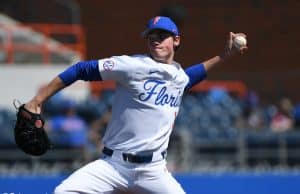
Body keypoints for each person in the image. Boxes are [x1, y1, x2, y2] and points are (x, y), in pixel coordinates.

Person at [24, 16, 247, 194]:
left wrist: (223, 56)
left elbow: (192, 76)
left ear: (176, 40)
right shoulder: (131, 66)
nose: (156, 40)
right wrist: (37, 100)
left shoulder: (179, 77)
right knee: (62, 192)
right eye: (151, 37)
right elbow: (80, 69)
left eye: (162, 36)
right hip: (113, 165)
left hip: (153, 170)